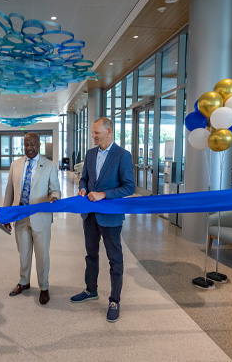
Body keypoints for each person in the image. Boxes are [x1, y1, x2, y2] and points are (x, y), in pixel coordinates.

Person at [70, 117, 135, 323]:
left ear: (109, 131)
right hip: (89, 215)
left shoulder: (122, 155)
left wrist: (103, 194)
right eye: (92, 132)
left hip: (110, 217)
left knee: (115, 259)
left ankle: (114, 300)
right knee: (91, 254)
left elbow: (129, 187)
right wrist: (82, 188)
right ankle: (91, 290)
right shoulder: (90, 154)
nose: (93, 136)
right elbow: (85, 179)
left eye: (96, 132)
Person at [3, 133, 61, 305]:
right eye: (26, 144)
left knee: (42, 254)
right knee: (24, 252)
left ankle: (44, 287)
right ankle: (24, 282)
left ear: (39, 145)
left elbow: (55, 189)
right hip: (20, 217)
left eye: (32, 144)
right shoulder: (16, 165)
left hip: (41, 218)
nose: (29, 148)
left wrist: (54, 198)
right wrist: (7, 215)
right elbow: (9, 192)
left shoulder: (49, 166)